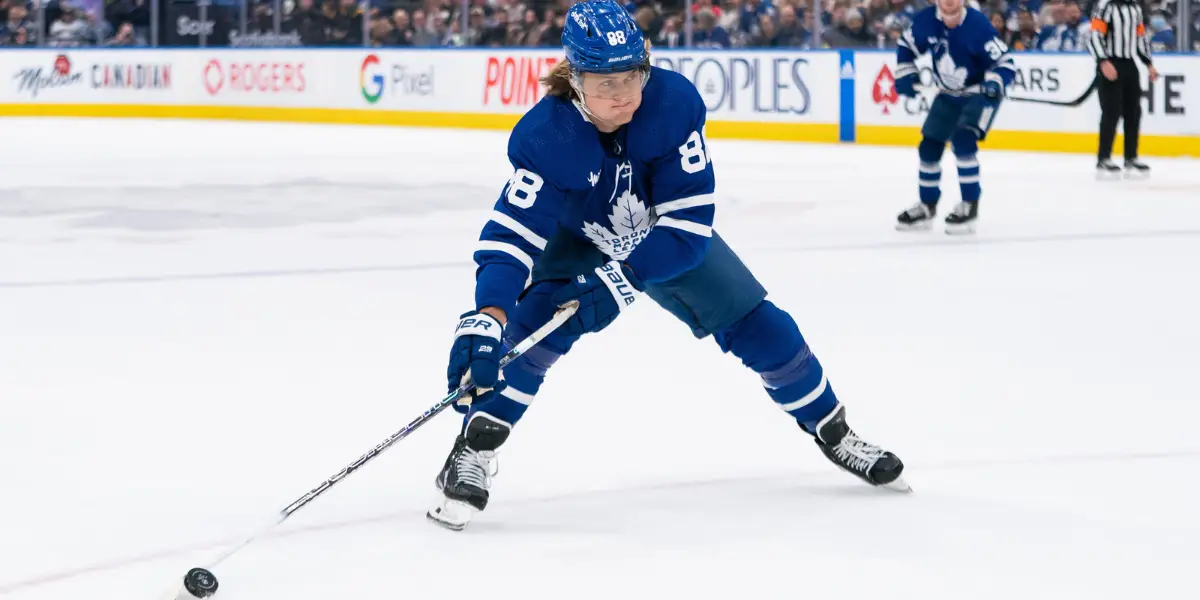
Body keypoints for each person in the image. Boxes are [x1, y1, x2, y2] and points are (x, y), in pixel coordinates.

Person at [426, 0, 910, 531]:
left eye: (631, 75)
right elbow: (512, 235)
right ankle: (474, 445)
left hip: (661, 237)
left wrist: (623, 279)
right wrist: (489, 313)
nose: (622, 95)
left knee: (759, 323)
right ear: (573, 75)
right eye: (603, 81)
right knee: (530, 333)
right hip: (579, 237)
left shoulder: (673, 103)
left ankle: (834, 433)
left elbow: (689, 222)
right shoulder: (546, 136)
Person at [892, 0, 1016, 235]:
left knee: (963, 140)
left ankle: (969, 205)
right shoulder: (926, 21)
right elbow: (906, 45)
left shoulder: (978, 26)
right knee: (929, 147)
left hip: (978, 95)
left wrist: (995, 81)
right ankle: (927, 207)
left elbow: (1005, 63)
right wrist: (906, 73)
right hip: (948, 94)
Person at [1088, 0, 1158, 178]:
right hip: (1111, 61)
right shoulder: (1106, 5)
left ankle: (1131, 157)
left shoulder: (1135, 7)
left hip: (1129, 64)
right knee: (1111, 111)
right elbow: (1095, 34)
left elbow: (1140, 37)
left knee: (1134, 111)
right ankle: (1104, 157)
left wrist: (1149, 63)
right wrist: (1103, 61)